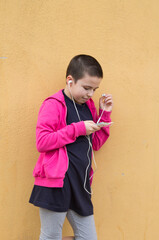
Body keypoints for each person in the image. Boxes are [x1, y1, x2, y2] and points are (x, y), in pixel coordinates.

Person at [28, 54, 113, 240]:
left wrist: (103, 115)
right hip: (56, 183)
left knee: (88, 237)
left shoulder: (88, 106)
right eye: (86, 88)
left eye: (94, 89)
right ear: (70, 81)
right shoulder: (53, 104)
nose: (90, 94)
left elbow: (95, 143)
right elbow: (42, 142)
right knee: (51, 235)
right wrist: (78, 128)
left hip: (80, 185)